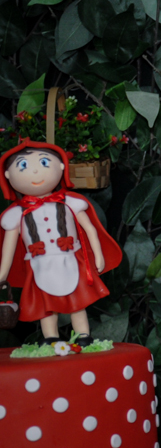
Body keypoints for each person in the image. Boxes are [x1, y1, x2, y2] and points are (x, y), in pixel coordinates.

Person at [0, 140, 122, 345]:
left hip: (71, 259)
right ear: (7, 175)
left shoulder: (70, 202)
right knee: (46, 306)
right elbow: (8, 249)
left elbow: (90, 229)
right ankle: (51, 338)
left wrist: (98, 255)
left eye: (44, 163)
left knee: (78, 302)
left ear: (61, 166)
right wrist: (2, 275)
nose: (35, 172)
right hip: (39, 265)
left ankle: (83, 335)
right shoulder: (15, 214)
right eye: (23, 165)